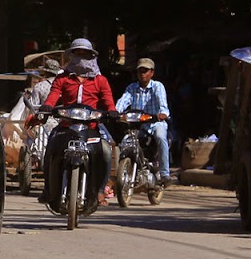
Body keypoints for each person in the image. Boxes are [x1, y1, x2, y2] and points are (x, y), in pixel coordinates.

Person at [35, 37, 117, 209]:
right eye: (77, 54)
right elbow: (53, 95)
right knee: (50, 148)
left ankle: (101, 190)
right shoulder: (63, 78)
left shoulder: (100, 80)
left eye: (84, 54)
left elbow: (108, 99)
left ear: (91, 56)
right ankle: (48, 189)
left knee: (107, 151)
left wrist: (112, 110)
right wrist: (47, 106)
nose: (80, 57)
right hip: (66, 126)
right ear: (71, 56)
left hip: (91, 128)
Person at [116, 57, 172, 185]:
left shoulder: (157, 86)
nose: (142, 74)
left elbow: (162, 102)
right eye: (140, 71)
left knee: (160, 136)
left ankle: (164, 173)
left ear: (152, 72)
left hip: (156, 122)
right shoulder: (132, 88)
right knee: (126, 142)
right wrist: (116, 112)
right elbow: (124, 100)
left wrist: (162, 113)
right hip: (138, 124)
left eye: (145, 71)